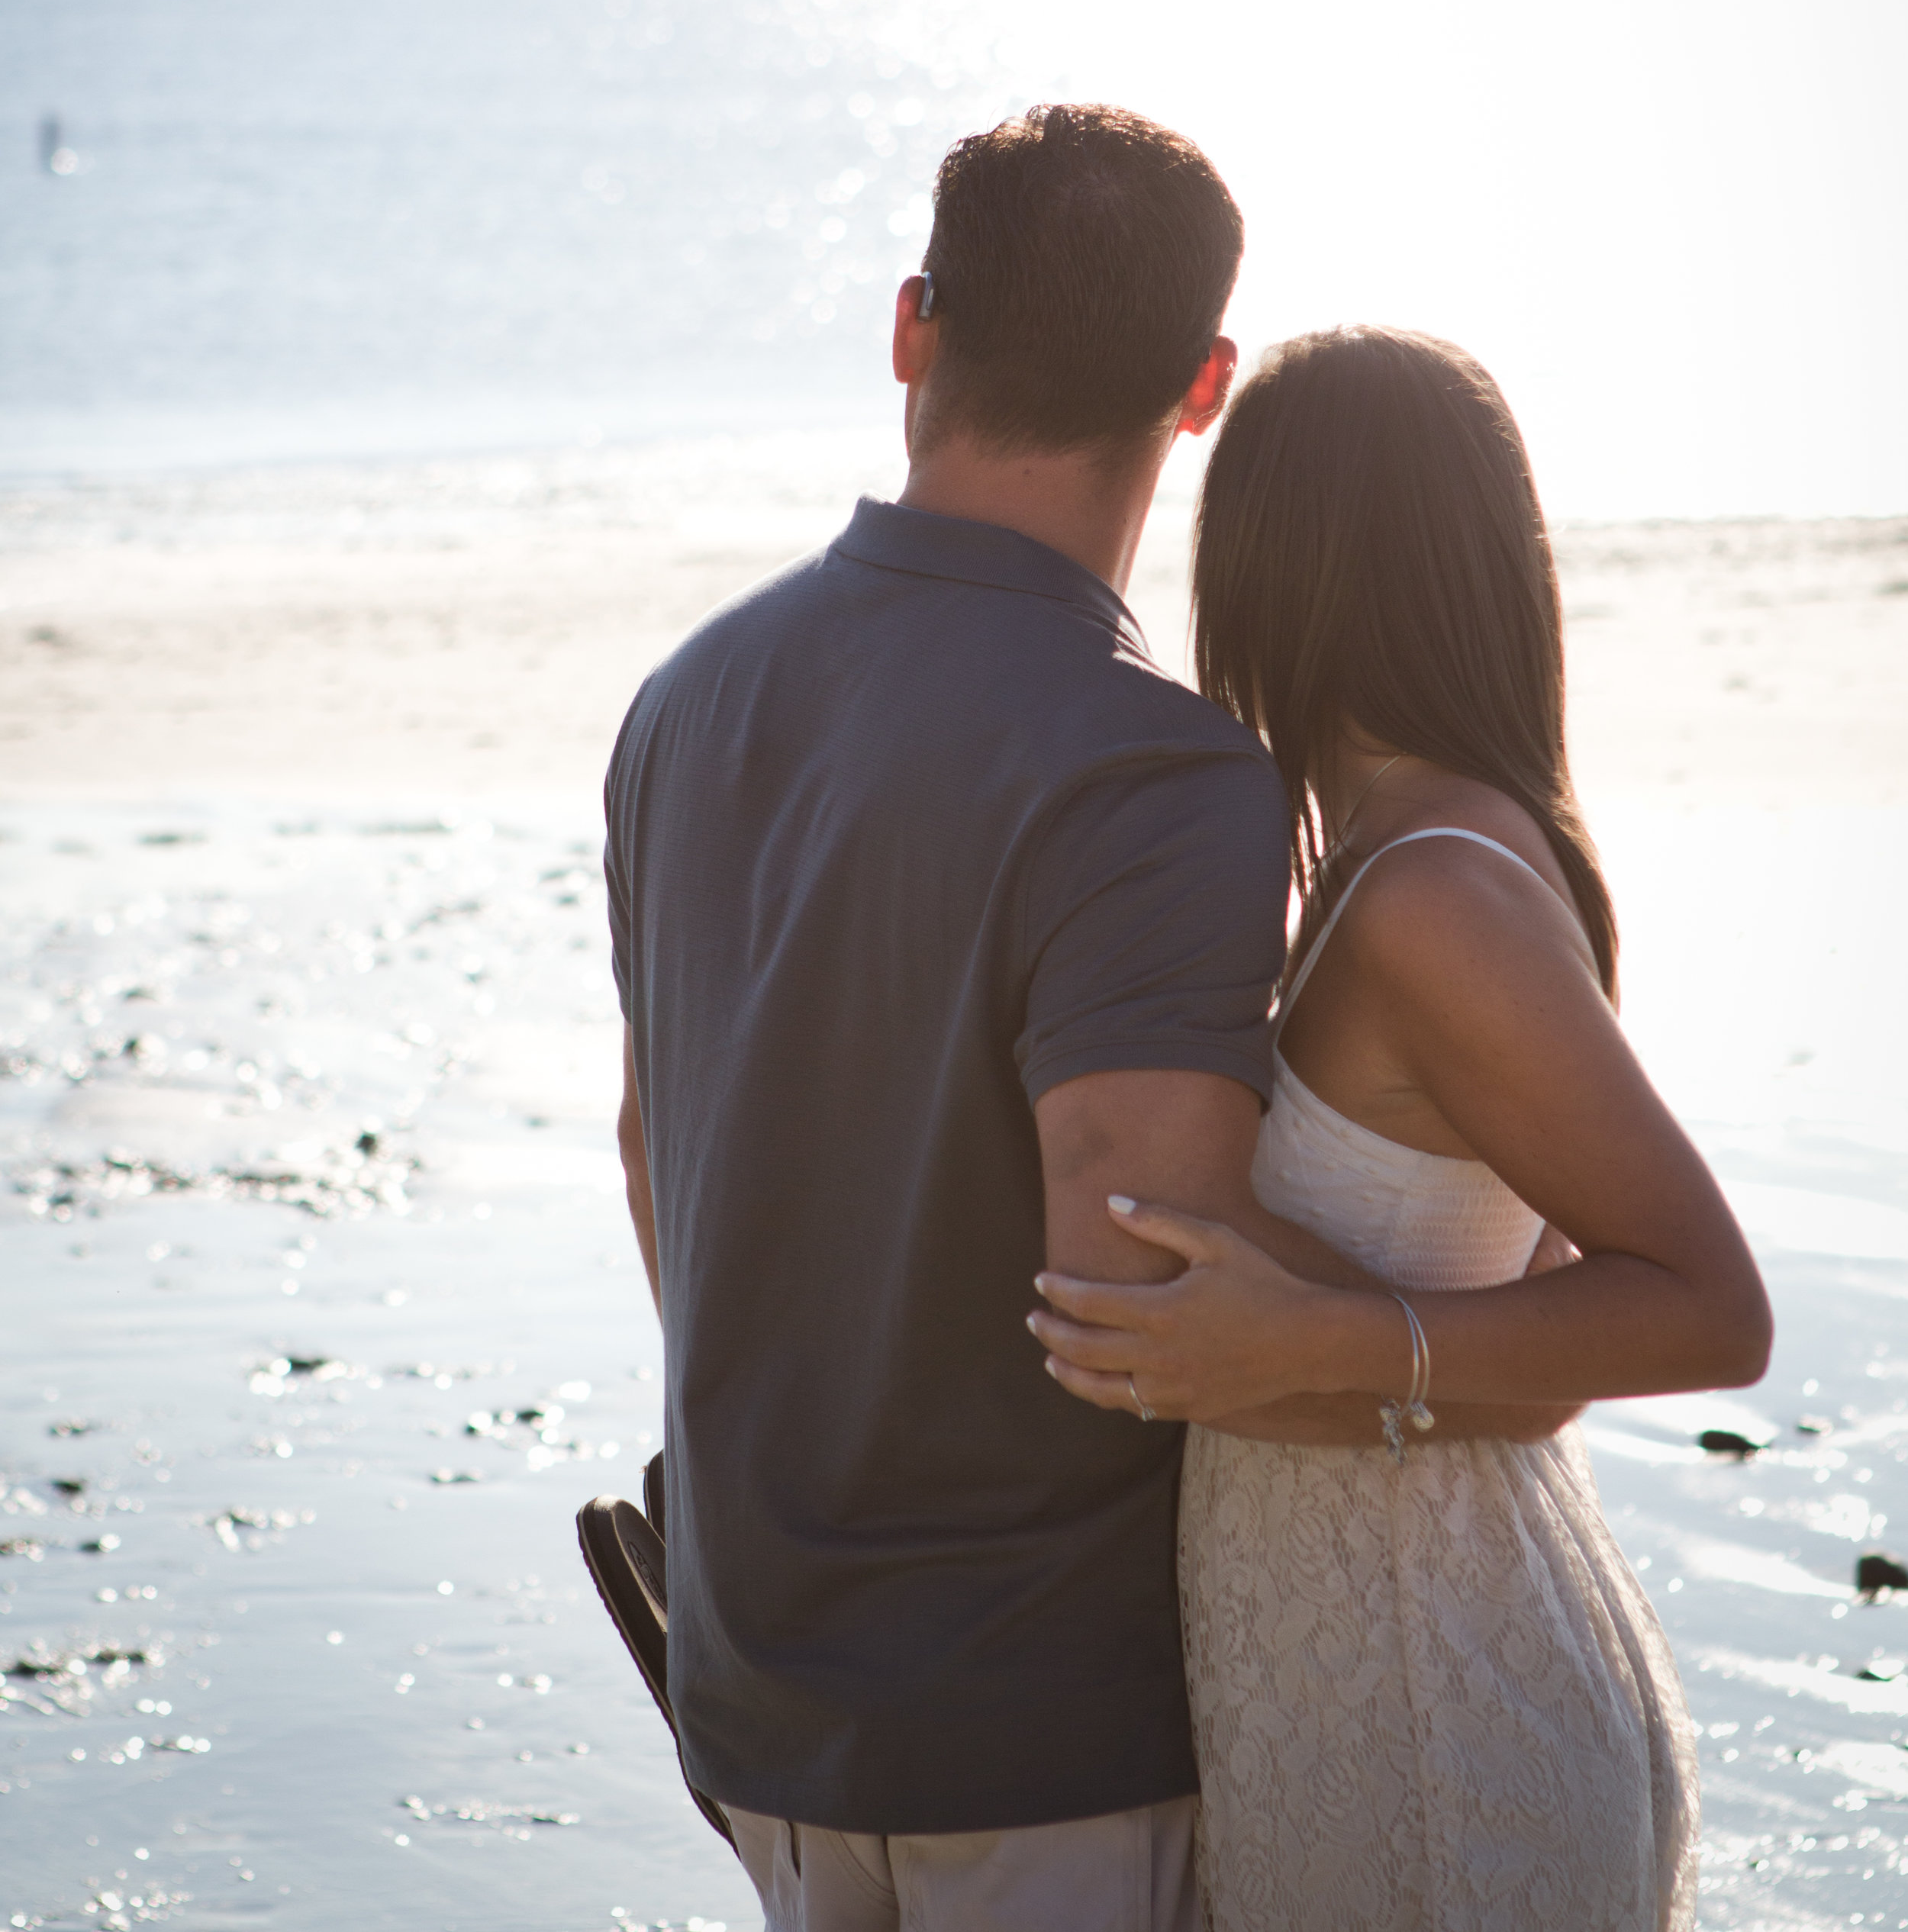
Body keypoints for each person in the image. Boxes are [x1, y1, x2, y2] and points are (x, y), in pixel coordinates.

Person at [608, 114, 1580, 1932]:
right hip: (1035, 1736)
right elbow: (1148, 1292)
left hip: (755, 1691)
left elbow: (656, 1154)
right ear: (1199, 387)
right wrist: (1504, 1364)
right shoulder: (1154, 774)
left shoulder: (682, 702)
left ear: (912, 326)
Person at [1030, 326, 1773, 1932]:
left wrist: (1323, 1335)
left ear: (1286, 568)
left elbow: (1711, 1307)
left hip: (1437, 1709)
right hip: (1376, 1673)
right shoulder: (1391, 858)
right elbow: (1533, 1297)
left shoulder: (1435, 891)